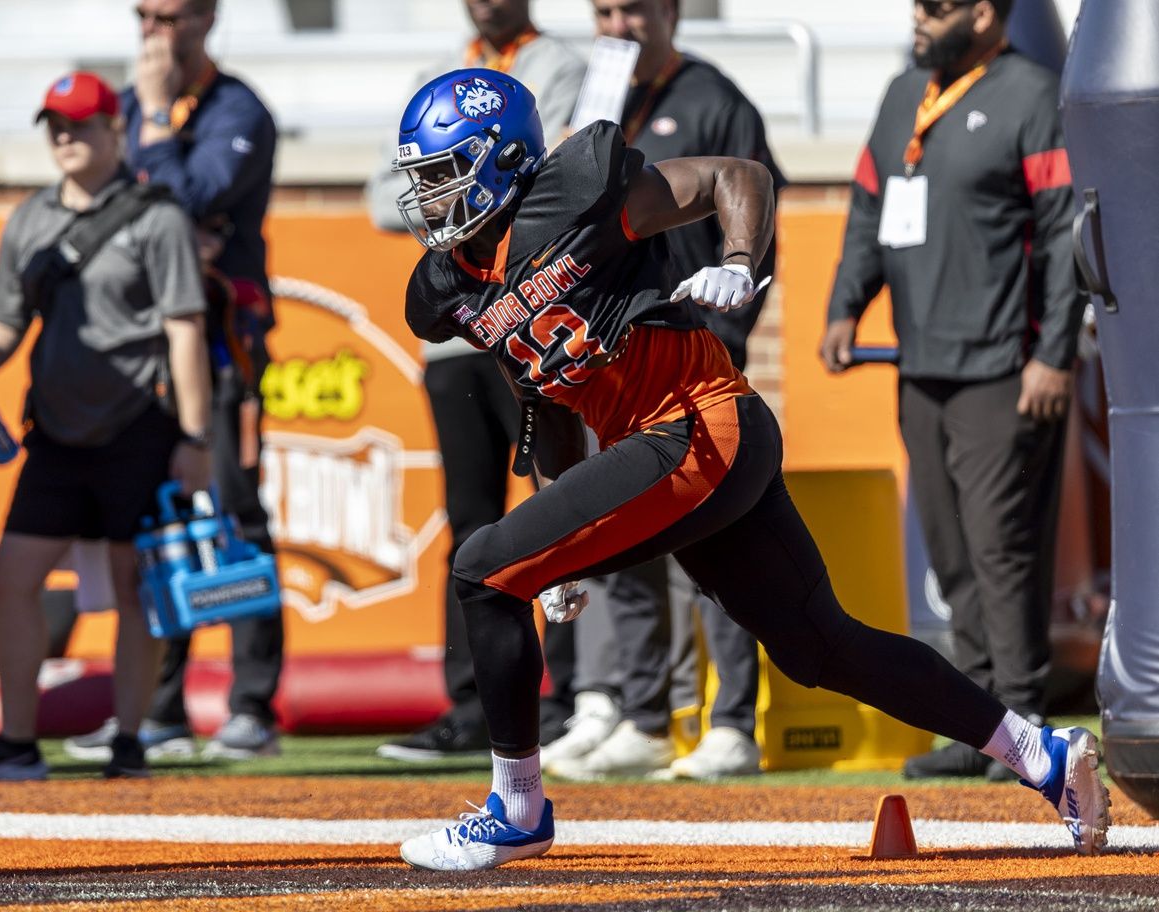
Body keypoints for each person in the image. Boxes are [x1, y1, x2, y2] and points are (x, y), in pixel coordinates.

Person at [387, 66, 1107, 872]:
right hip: (690, 445)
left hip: (695, 426)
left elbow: (737, 174)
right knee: (819, 648)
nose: (430, 199)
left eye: (444, 175)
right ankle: (1042, 754)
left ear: (505, 159)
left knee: (481, 572)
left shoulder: (578, 191)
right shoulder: (451, 287)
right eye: (423, 180)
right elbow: (547, 390)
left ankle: (516, 810)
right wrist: (555, 527)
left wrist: (737, 257)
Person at [821, 0, 1082, 781]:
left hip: (1004, 365)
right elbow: (868, 208)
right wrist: (843, 304)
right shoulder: (904, 95)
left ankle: (1025, 718)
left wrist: (1055, 355)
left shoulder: (1031, 95)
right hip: (920, 364)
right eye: (915, 8)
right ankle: (979, 727)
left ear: (982, 13)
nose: (918, 20)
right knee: (951, 550)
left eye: (935, 9)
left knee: (1002, 547)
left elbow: (1066, 228)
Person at [0, 72, 214, 781]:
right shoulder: (28, 219)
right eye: (54, 124)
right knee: (13, 575)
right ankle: (17, 743)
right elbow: (5, 320)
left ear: (114, 129)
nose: (64, 137)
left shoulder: (158, 217)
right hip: (53, 430)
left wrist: (195, 438)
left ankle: (128, 740)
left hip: (137, 427)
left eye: (80, 124)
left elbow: (184, 331)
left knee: (132, 588)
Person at [544, 0, 785, 781]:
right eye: (606, 10)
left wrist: (738, 286)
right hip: (611, 361)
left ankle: (729, 723)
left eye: (636, 9)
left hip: (695, 351)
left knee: (711, 543)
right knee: (625, 535)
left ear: (671, 13)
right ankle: (642, 715)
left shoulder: (713, 97)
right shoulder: (593, 104)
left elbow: (749, 197)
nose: (621, 25)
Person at [366, 0, 586, 761]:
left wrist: (467, 185)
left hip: (529, 306)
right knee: (470, 519)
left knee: (558, 498)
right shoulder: (436, 75)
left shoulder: (555, 65)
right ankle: (475, 700)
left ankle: (575, 692)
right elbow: (381, 193)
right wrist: (453, 187)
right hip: (462, 324)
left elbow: (550, 172)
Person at [64, 0, 283, 763]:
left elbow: (189, 199)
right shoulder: (120, 108)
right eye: (146, 13)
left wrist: (156, 124)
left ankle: (252, 710)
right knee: (157, 527)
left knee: (235, 514)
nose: (157, 29)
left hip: (223, 345)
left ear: (208, 17)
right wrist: (167, 215)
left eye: (175, 14)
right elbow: (103, 210)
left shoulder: (236, 106)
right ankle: (157, 712)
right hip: (145, 351)